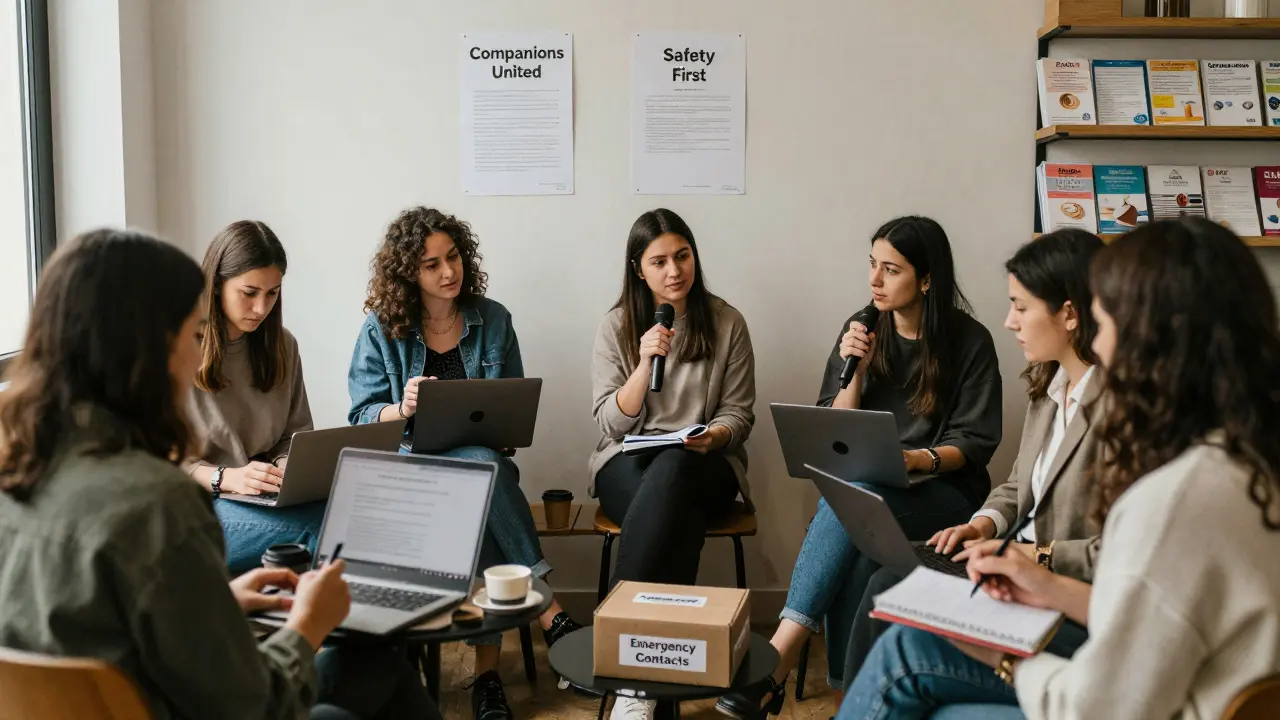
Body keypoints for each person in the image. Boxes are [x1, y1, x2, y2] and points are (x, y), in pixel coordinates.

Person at [839, 218, 1280, 720]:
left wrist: (1000, 651)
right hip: (1170, 680)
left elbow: (1100, 701)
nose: (1099, 336)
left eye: (1105, 316)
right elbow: (1155, 610)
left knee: (908, 654)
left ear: (1149, 338)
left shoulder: (1174, 494)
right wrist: (1037, 577)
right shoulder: (1245, 460)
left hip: (1136, 701)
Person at [0, 229, 435, 720]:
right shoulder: (158, 505)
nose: (197, 352)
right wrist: (307, 625)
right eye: (191, 335)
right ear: (148, 349)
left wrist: (215, 605)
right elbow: (257, 706)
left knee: (374, 665)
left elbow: (100, 627)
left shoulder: (18, 471)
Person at [718, 216, 1001, 719]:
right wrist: (857, 374)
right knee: (861, 532)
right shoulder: (864, 327)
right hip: (873, 489)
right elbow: (835, 429)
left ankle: (782, 659)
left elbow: (975, 441)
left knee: (855, 507)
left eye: (890, 269)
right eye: (872, 265)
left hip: (947, 491)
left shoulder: (969, 341)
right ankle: (850, 700)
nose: (874, 280)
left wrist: (919, 458)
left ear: (927, 278)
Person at [832, 229, 1106, 691]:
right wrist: (981, 526)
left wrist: (1031, 554)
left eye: (1021, 307)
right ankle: (850, 697)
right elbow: (1019, 488)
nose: (1009, 322)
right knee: (882, 579)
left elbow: (1117, 551)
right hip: (1007, 553)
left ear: (1070, 314)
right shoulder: (1048, 388)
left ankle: (805, 652)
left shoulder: (1122, 413)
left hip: (1048, 577)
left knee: (886, 587)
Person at [348, 206, 580, 720]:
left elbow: (513, 412)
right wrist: (401, 407)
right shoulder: (381, 329)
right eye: (431, 264)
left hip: (483, 471)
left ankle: (490, 677)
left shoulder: (493, 319)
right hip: (410, 474)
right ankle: (540, 613)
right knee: (475, 476)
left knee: (474, 472)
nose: (448, 271)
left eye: (452, 257)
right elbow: (362, 417)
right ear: (409, 272)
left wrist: (495, 431)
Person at [590, 208, 756, 720]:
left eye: (682, 256)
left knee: (676, 472)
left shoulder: (727, 322)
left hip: (705, 463)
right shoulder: (617, 325)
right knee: (672, 504)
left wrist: (716, 435)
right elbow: (610, 425)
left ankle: (625, 668)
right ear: (638, 269)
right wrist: (643, 365)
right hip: (628, 463)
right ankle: (660, 687)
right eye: (658, 261)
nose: (674, 270)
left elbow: (739, 413)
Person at [182, 220, 324, 575]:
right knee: (319, 530)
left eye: (272, 293)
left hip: (261, 497)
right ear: (216, 286)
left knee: (350, 511)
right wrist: (225, 478)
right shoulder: (175, 347)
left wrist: (283, 466)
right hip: (196, 506)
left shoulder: (282, 346)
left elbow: (293, 435)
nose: (262, 308)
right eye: (249, 293)